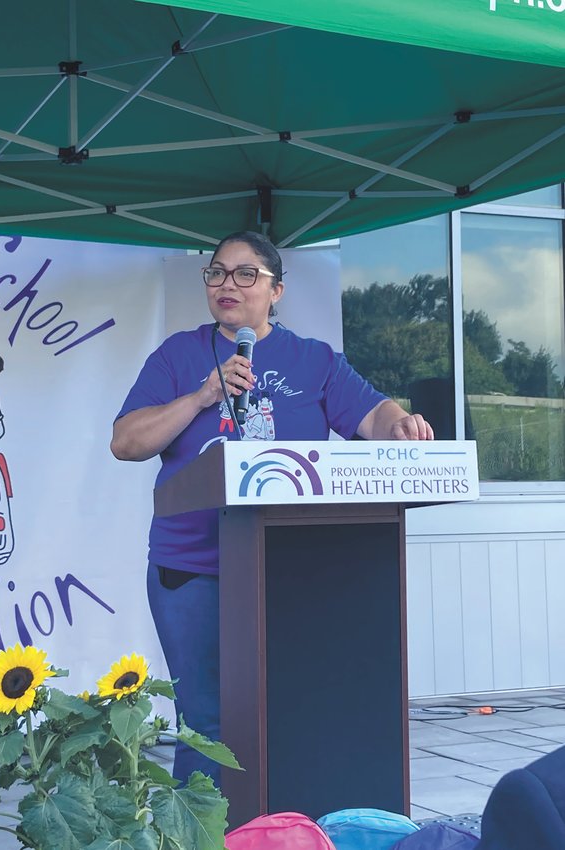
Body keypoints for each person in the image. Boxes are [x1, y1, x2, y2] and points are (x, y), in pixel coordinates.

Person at [111, 231, 433, 786]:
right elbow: (126, 441)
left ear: (276, 289)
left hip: (292, 566)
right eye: (216, 272)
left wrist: (402, 424)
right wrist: (201, 396)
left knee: (293, 708)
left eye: (245, 274)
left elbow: (376, 417)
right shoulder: (178, 355)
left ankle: (285, 828)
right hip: (192, 570)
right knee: (206, 719)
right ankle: (205, 834)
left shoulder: (315, 360)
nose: (227, 284)